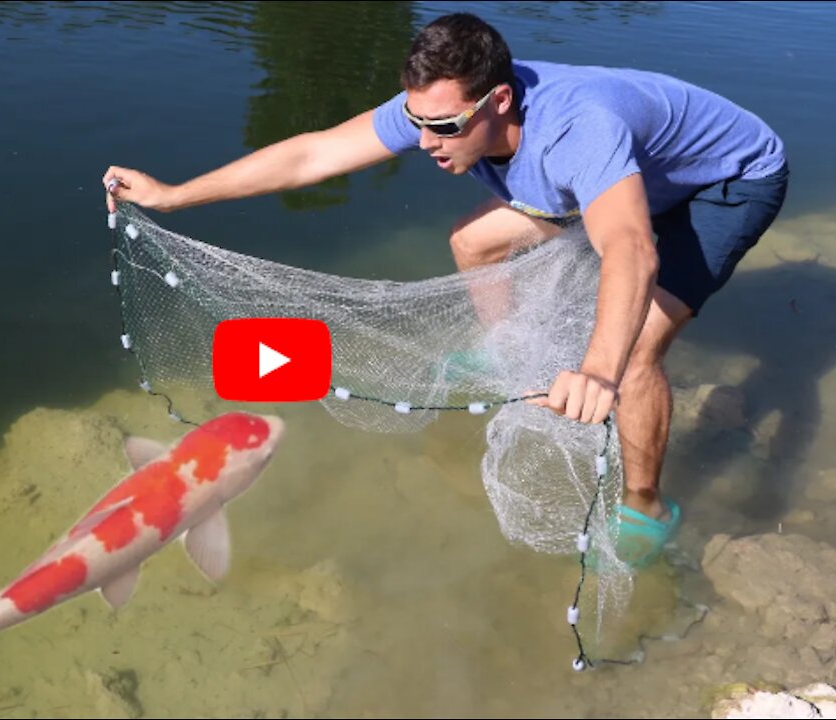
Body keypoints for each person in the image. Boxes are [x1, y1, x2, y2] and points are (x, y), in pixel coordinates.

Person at [102, 12, 789, 568]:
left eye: (445, 127)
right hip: (631, 179)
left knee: (638, 350)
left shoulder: (579, 131)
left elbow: (631, 247)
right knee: (473, 240)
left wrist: (598, 371)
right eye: (416, 120)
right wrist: (174, 195)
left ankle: (646, 503)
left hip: (723, 183)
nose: (426, 142)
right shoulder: (439, 109)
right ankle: (504, 348)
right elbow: (313, 153)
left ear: (499, 99)